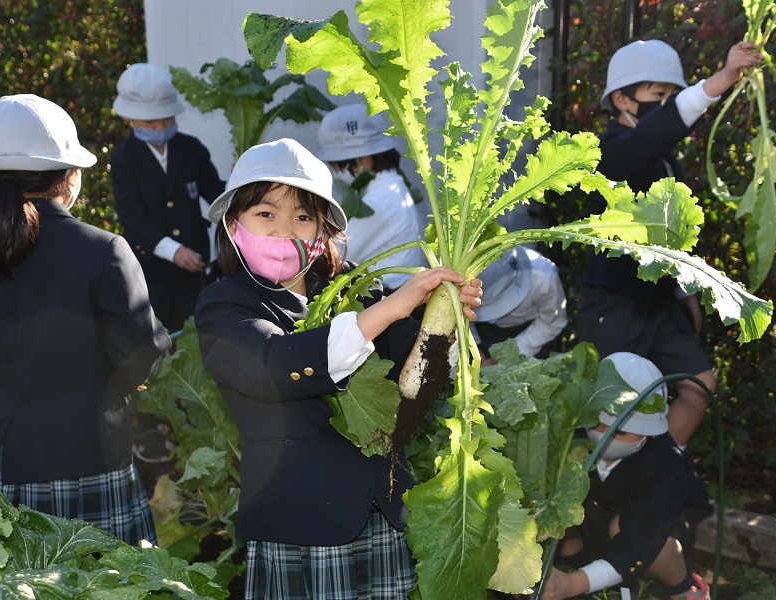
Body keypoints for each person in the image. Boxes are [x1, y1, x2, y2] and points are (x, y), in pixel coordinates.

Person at [194, 138, 482, 600]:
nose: (285, 231)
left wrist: (444, 324)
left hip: (384, 514)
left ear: (322, 231)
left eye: (303, 217)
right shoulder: (225, 303)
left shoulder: (356, 292)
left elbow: (417, 384)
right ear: (233, 225)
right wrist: (393, 307)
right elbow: (273, 366)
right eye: (265, 215)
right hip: (302, 523)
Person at [0, 94, 171, 545]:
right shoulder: (105, 250)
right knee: (108, 587)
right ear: (71, 178)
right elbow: (143, 353)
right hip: (90, 457)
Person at [577, 39, 763, 446]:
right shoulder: (611, 152)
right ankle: (606, 497)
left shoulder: (661, 157)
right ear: (622, 100)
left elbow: (671, 236)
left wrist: (684, 292)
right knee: (609, 414)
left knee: (699, 389)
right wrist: (722, 79)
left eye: (671, 96)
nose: (666, 104)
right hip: (615, 301)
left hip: (659, 301)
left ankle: (662, 473)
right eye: (658, 95)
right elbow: (659, 131)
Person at [541, 352, 713, 600]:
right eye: (596, 423)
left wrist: (572, 583)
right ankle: (577, 560)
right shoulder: (573, 437)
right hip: (595, 518)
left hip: (654, 526)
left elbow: (641, 536)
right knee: (561, 499)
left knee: (636, 535)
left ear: (651, 433)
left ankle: (683, 588)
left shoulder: (666, 462)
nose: (603, 435)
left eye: (619, 430)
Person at [111, 62, 225, 332]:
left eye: (168, 118)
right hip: (150, 273)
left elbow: (214, 192)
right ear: (130, 118)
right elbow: (132, 218)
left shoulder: (191, 149)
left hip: (195, 269)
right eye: (152, 121)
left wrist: (242, 184)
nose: (162, 125)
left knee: (197, 334)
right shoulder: (124, 158)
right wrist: (173, 251)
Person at [317, 102, 428, 292]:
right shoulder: (390, 186)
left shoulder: (379, 201)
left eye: (336, 165)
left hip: (390, 299)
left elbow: (333, 257)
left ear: (362, 161)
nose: (335, 173)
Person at [473, 246, 568, 363]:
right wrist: (474, 348)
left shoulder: (544, 278)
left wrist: (510, 355)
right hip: (481, 331)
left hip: (532, 331)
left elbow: (552, 323)